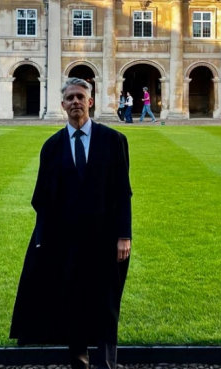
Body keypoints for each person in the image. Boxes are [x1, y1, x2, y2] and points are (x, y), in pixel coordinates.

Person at [10, 77, 133, 369]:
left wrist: (124, 235)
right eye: (70, 98)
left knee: (106, 302)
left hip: (105, 237)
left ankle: (106, 362)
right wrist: (42, 238)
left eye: (81, 97)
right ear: (62, 105)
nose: (76, 102)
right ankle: (79, 359)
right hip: (67, 239)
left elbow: (122, 192)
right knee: (73, 299)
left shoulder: (114, 141)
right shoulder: (51, 147)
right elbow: (41, 199)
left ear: (91, 101)